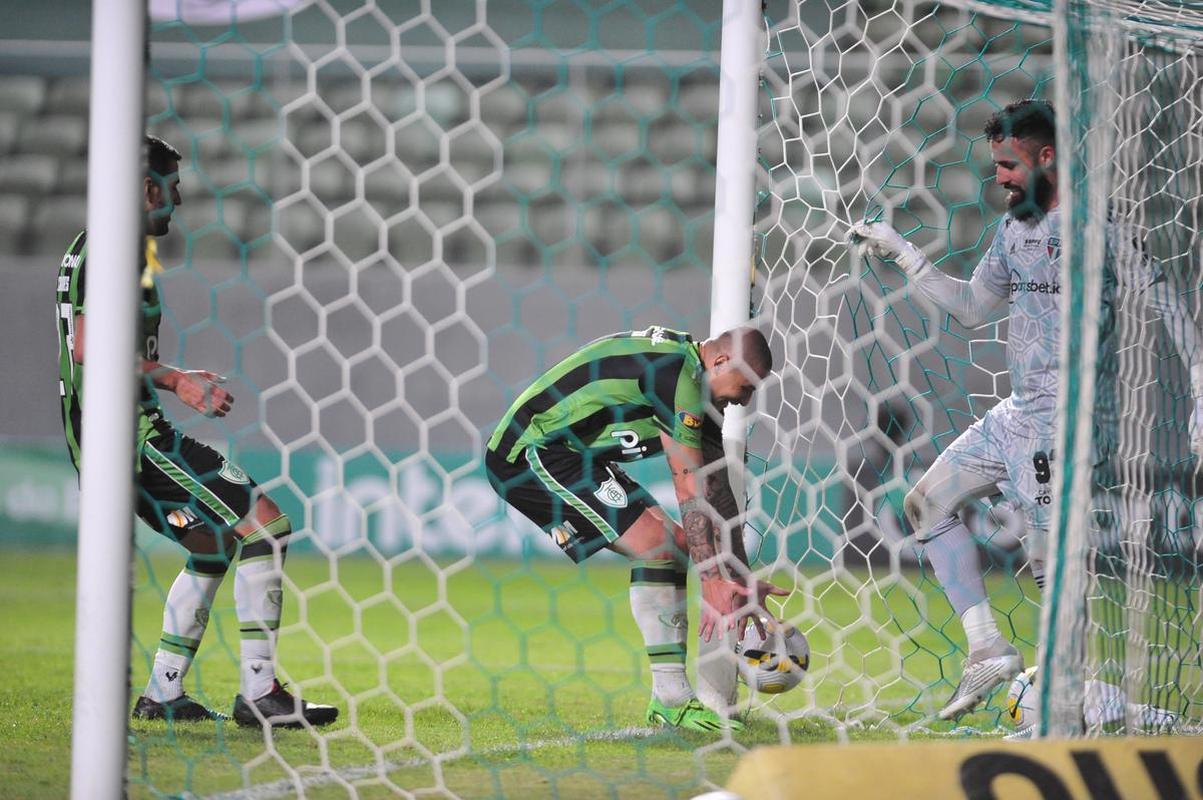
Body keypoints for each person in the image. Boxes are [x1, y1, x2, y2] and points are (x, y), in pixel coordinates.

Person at [847, 99, 1203, 719]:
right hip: (1017, 412)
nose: (1000, 180)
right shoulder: (1015, 227)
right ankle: (987, 650)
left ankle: (1084, 700)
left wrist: (1200, 386)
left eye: (1009, 166)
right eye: (995, 168)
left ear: (1047, 158)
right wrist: (907, 255)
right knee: (925, 502)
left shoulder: (1101, 226)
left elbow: (1166, 302)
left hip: (1068, 419)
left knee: (1049, 565)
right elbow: (973, 308)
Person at [56, 134, 338, 728]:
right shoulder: (109, 249)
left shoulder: (108, 250)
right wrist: (175, 379)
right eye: (173, 187)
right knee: (268, 525)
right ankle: (260, 695)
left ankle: (163, 695)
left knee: (212, 542)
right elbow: (88, 348)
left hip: (124, 437)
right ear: (145, 187)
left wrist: (170, 377)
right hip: (129, 443)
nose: (177, 202)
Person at [485, 325, 787, 731]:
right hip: (530, 452)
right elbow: (688, 487)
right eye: (747, 386)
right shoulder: (673, 376)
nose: (745, 400)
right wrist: (712, 580)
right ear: (720, 361)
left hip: (577, 457)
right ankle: (673, 699)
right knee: (659, 546)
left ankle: (669, 700)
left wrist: (741, 576)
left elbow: (716, 488)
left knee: (674, 544)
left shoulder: (698, 389)